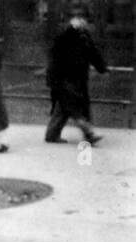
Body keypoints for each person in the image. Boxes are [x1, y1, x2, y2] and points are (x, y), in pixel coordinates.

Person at [44, 3, 107, 145]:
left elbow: (92, 52)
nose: (81, 20)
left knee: (64, 107)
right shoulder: (64, 32)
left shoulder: (83, 34)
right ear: (71, 19)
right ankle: (89, 133)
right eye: (77, 17)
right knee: (73, 106)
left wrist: (101, 67)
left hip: (78, 77)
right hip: (64, 77)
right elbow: (55, 52)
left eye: (83, 17)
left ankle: (52, 134)